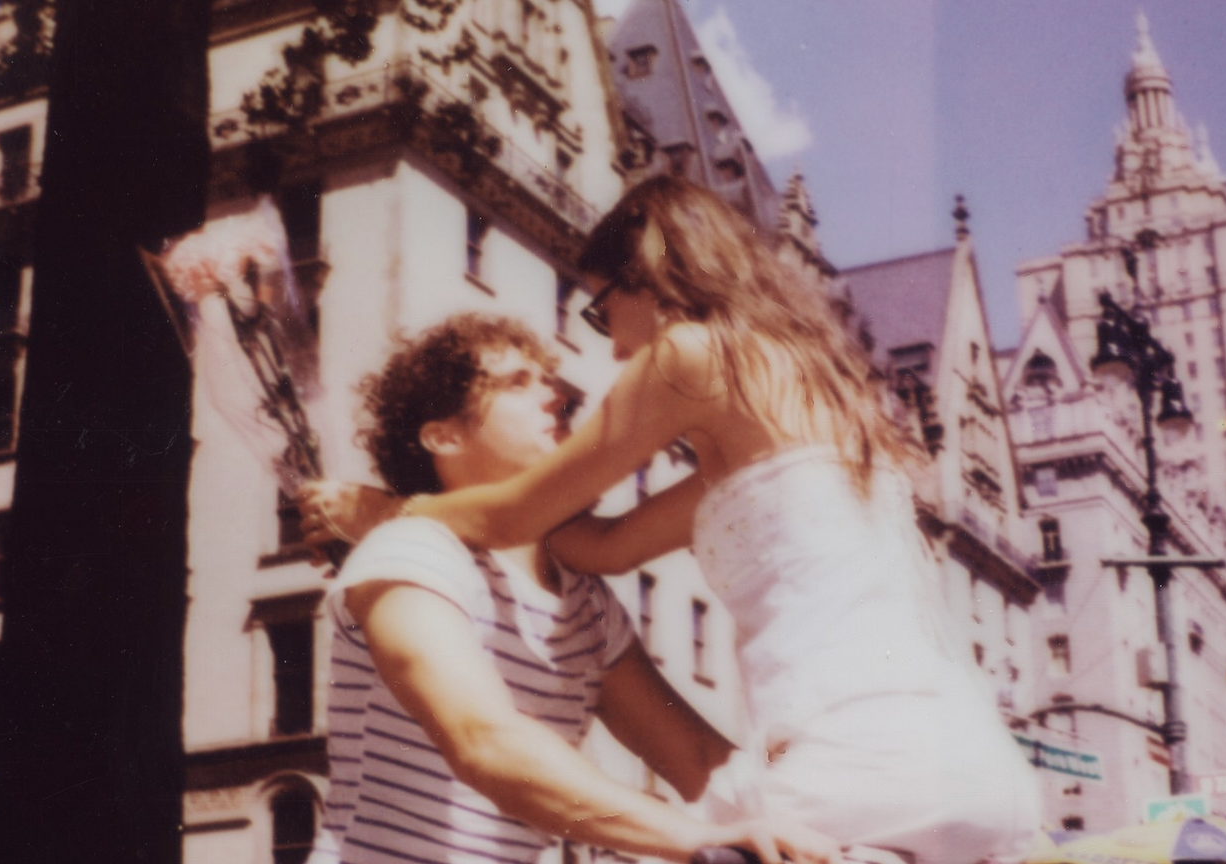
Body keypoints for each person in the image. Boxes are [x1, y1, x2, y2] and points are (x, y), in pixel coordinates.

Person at [302, 177, 1041, 864]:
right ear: (442, 435)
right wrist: (712, 836)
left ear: (650, 276)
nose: (604, 357)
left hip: (851, 762)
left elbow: (521, 515)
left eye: (601, 310)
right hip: (970, 763)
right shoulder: (810, 415)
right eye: (523, 383)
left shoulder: (690, 354)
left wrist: (386, 510)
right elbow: (603, 550)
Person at [302, 313, 838, 864]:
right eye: (518, 382)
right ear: (444, 436)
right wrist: (691, 837)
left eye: (548, 379)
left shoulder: (585, 604)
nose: (559, 395)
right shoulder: (412, 552)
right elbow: (484, 739)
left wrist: (830, 828)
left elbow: (699, 757)